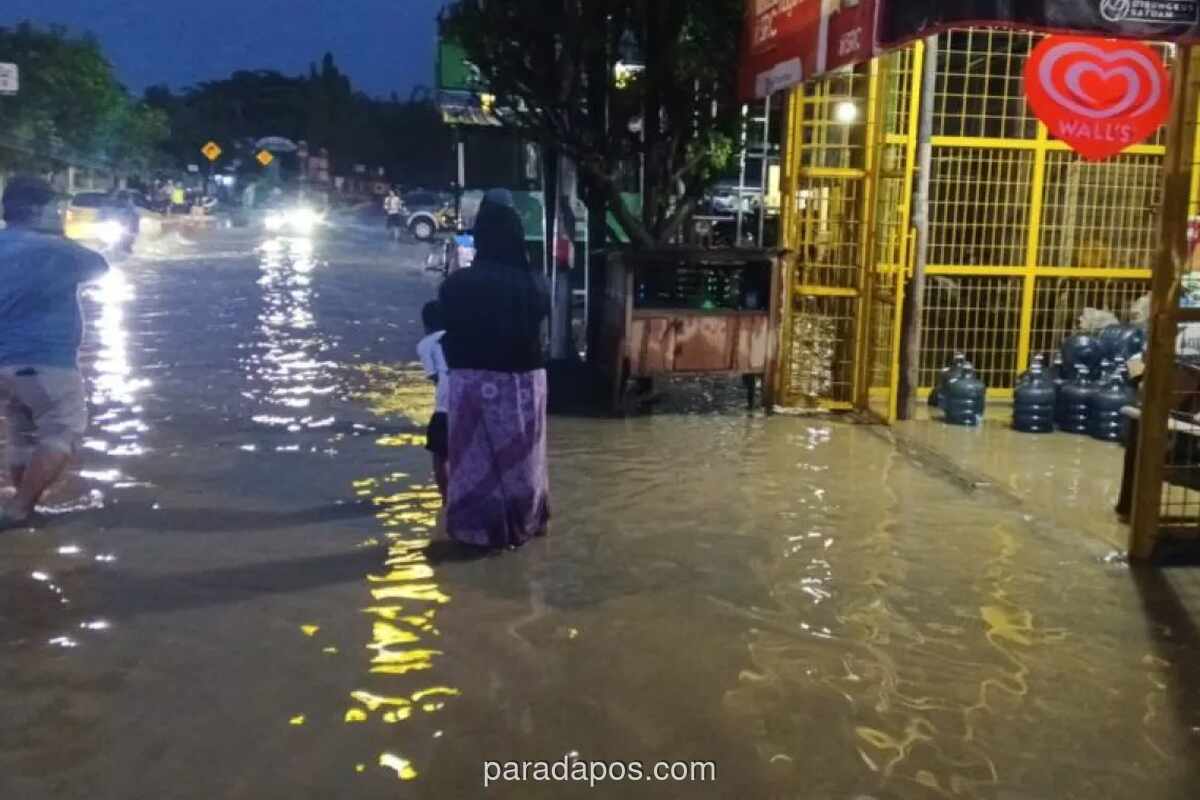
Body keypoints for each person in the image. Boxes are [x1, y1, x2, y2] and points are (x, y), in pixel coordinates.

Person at [438, 190, 551, 549]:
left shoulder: (456, 284)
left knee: (473, 461)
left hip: (470, 380)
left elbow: (445, 325)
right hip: (523, 382)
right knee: (523, 463)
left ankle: (475, 534)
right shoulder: (536, 285)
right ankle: (525, 525)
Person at [0, 177, 109, 529]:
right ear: (36, 210)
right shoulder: (57, 250)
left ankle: (26, 506)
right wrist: (59, 235)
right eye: (54, 207)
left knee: (22, 433)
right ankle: (19, 507)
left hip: (5, 363)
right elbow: (100, 267)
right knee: (64, 430)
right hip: (46, 362)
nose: (60, 212)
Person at [417, 301, 450, 499]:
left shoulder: (426, 344)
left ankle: (446, 500)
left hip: (445, 409)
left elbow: (434, 376)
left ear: (425, 325)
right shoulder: (460, 338)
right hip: (470, 405)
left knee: (439, 455)